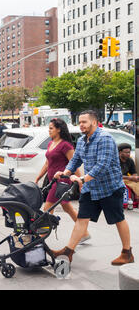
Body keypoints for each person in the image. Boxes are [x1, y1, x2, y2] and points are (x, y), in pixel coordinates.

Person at [52, 110, 134, 266]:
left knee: (118, 219)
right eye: (79, 122)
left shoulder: (105, 139)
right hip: (91, 188)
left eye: (84, 122)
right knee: (82, 218)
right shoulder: (83, 140)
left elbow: (102, 166)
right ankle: (68, 252)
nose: (81, 125)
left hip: (110, 187)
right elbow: (75, 159)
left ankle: (127, 253)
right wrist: (66, 172)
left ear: (94, 122)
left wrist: (82, 178)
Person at [35, 118, 90, 242]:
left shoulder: (66, 145)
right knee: (67, 208)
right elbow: (47, 163)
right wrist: (38, 177)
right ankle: (84, 233)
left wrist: (80, 181)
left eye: (51, 128)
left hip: (63, 181)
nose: (49, 131)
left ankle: (40, 238)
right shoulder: (51, 143)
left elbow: (74, 163)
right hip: (53, 180)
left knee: (47, 209)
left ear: (59, 129)